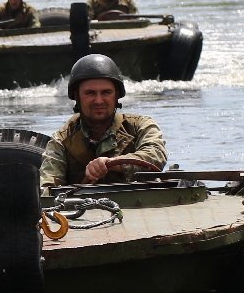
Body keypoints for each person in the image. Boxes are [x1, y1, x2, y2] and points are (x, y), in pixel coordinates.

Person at [38, 54, 166, 192]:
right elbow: (48, 190)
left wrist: (112, 164)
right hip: (82, 209)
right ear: (77, 97)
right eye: (90, 93)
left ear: (116, 95)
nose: (99, 101)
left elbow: (156, 155)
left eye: (106, 92)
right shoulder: (62, 141)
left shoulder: (140, 126)